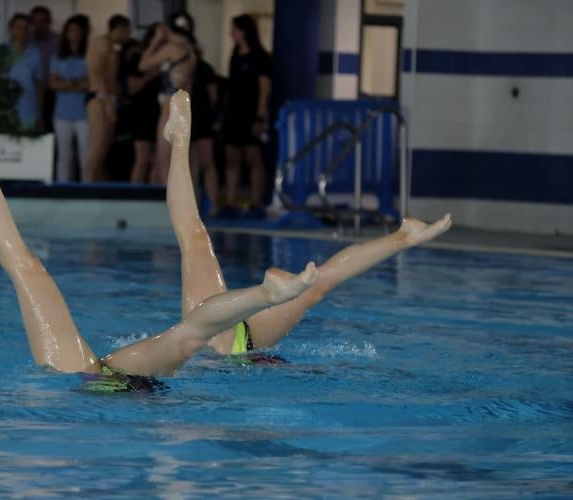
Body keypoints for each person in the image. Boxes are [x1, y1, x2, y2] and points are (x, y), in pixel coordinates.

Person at [0, 96, 320, 381]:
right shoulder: (238, 350)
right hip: (99, 386)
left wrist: (266, 297)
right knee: (28, 269)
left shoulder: (236, 344)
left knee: (28, 268)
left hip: (104, 382)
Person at [163, 92, 453, 356]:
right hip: (240, 342)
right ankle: (404, 236)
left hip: (214, 342)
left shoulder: (184, 346)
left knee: (195, 238)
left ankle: (180, 138)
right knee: (312, 285)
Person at [168, 11, 220, 216]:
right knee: (189, 165)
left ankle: (214, 203)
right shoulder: (177, 68)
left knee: (206, 162)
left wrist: (212, 117)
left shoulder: (203, 69)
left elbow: (213, 94)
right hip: (186, 118)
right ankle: (193, 204)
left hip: (201, 117)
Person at [222, 14, 272, 219]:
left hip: (250, 113)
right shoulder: (235, 55)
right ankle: (231, 201)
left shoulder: (260, 57)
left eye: (234, 29)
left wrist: (259, 117)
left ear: (243, 31)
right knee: (231, 158)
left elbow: (264, 88)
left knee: (253, 159)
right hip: (233, 113)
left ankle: (255, 201)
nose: (231, 33)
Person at [138, 24, 196, 185]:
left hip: (170, 108)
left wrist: (154, 42)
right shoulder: (190, 51)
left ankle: (169, 205)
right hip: (182, 109)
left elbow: (142, 65)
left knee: (164, 162)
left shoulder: (172, 49)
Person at [83, 15, 131, 182]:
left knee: (105, 146)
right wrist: (107, 103)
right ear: (119, 29)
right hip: (99, 98)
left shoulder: (114, 47)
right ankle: (86, 184)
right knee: (98, 145)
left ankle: (96, 182)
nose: (128, 35)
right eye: (127, 31)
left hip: (108, 98)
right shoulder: (101, 43)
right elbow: (98, 73)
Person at [49, 15, 89, 182]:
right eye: (70, 30)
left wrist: (66, 83)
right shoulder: (57, 57)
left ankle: (88, 188)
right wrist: (77, 83)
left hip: (85, 114)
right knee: (64, 156)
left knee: (85, 155)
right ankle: (63, 188)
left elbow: (92, 84)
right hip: (62, 113)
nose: (74, 34)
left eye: (77, 30)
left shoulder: (88, 55)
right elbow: (53, 83)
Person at [123, 32, 160, 184]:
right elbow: (132, 88)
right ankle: (134, 195)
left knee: (159, 161)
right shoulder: (137, 60)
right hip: (142, 113)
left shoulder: (169, 60)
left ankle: (153, 195)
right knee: (143, 160)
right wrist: (149, 76)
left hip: (161, 112)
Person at [7, 13, 44, 130]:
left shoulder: (35, 54)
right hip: (7, 109)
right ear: (11, 29)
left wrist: (40, 113)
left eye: (25, 28)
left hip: (29, 109)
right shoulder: (1, 53)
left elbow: (40, 85)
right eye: (18, 27)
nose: (21, 32)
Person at [30, 6, 60, 131]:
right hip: (31, 91)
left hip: (53, 91)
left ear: (49, 22)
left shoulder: (58, 41)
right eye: (35, 22)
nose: (39, 26)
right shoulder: (27, 40)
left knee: (51, 126)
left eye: (42, 22)